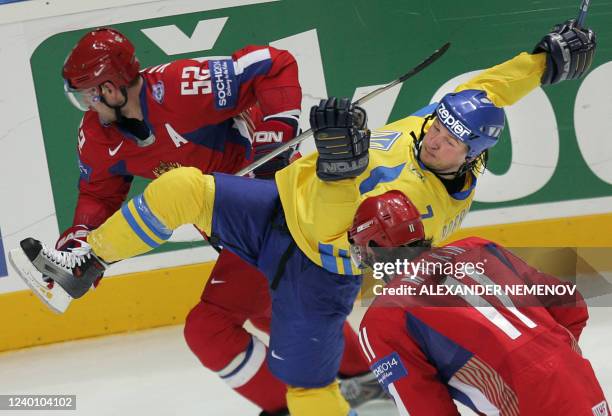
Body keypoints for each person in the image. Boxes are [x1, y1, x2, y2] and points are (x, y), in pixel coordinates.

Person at [10, 19, 596, 415]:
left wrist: (341, 166)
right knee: (180, 189)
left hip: (315, 269)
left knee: (307, 388)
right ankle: (83, 265)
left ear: (474, 155)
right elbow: (491, 87)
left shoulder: (424, 208)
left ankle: (355, 391)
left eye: (448, 141)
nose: (435, 137)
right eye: (438, 124)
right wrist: (544, 61)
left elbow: (334, 229)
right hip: (270, 208)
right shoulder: (438, 129)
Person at [47, 28, 374, 415]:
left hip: (273, 214)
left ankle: (294, 406)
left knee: (210, 328)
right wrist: (79, 238)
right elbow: (98, 194)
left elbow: (273, 63)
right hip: (232, 231)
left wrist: (273, 139)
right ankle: (367, 381)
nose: (87, 106)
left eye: (88, 94)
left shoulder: (182, 87)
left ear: (112, 89)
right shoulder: (97, 134)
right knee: (271, 308)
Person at [350, 190, 610, 415]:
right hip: (581, 383)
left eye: (362, 250)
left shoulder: (381, 319)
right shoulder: (479, 246)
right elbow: (569, 302)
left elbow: (424, 408)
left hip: (526, 403)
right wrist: (553, 358)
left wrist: (527, 380)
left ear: (374, 246)